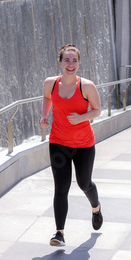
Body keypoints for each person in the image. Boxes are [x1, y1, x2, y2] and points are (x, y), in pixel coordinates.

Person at [40, 44, 103, 247]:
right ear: (60, 63)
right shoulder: (50, 83)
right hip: (58, 143)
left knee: (84, 183)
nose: (70, 64)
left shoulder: (86, 86)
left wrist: (81, 117)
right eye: (66, 60)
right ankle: (59, 233)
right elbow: (47, 98)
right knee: (61, 187)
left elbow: (97, 110)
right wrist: (44, 114)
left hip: (84, 144)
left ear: (79, 63)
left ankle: (96, 207)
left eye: (74, 60)